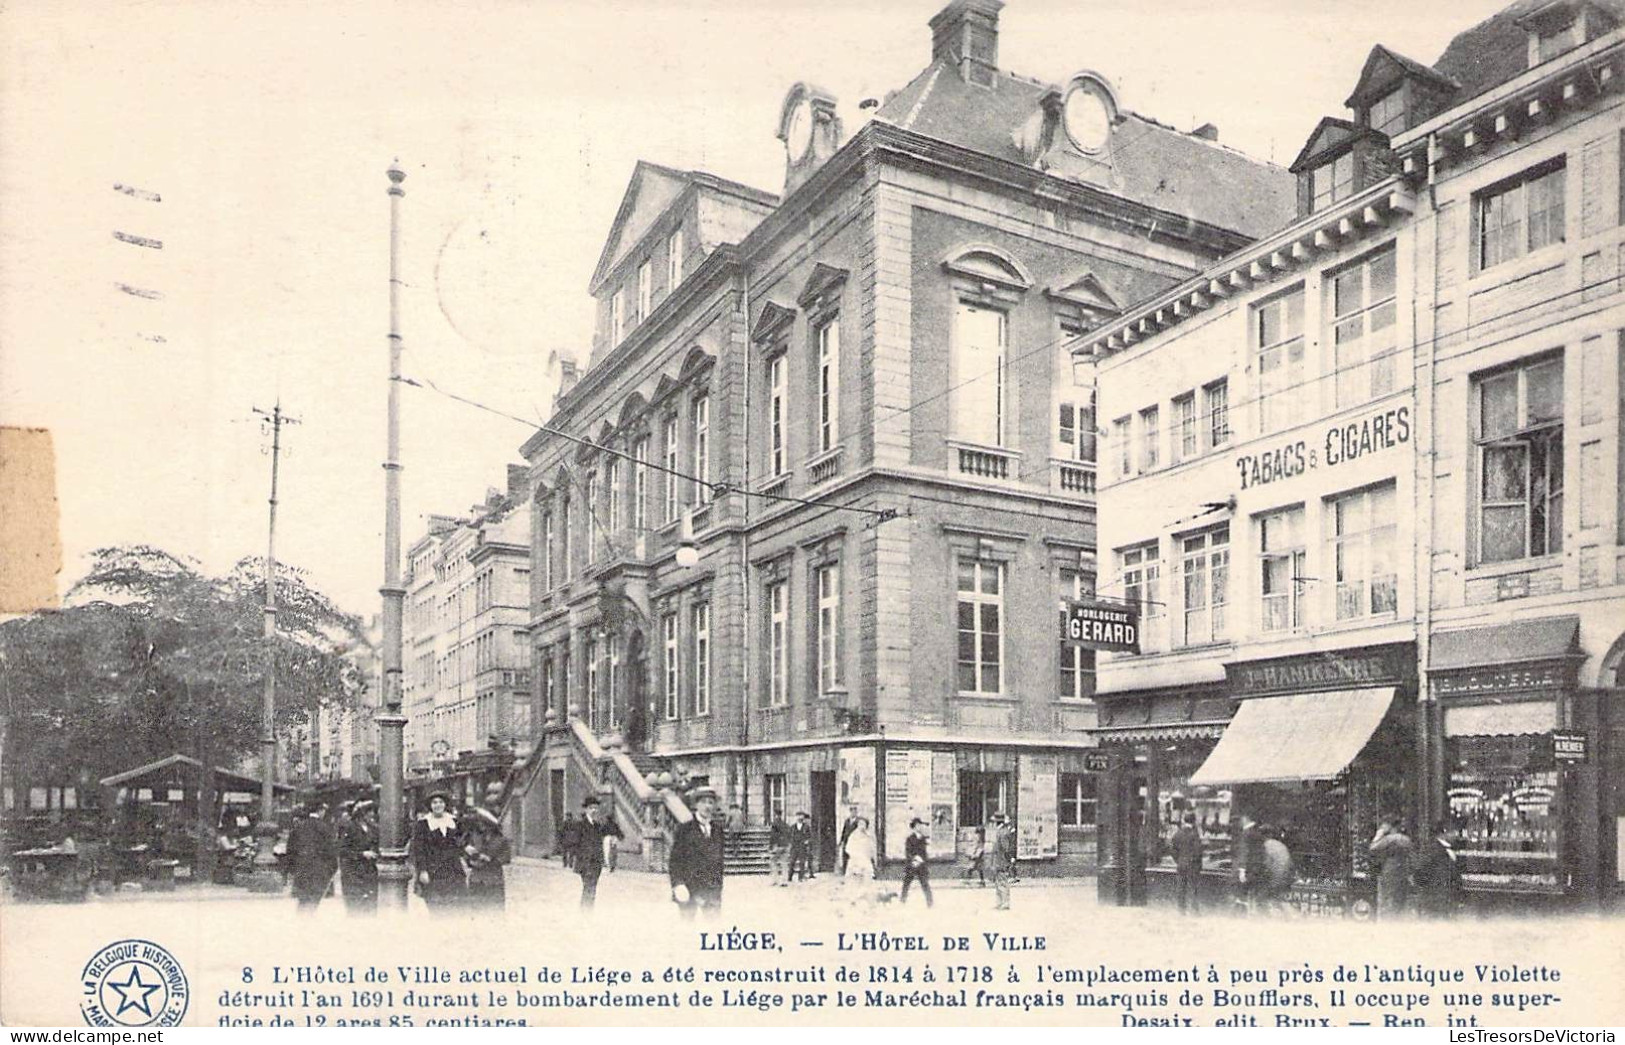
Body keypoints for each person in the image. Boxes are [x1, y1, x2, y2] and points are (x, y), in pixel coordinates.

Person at [669, 787, 726, 918]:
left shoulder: (718, 831)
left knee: (713, 928)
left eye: (711, 802)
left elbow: (719, 861)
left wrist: (718, 887)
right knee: (687, 929)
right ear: (696, 805)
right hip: (689, 888)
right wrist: (678, 884)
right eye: (704, 802)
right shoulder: (685, 829)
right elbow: (675, 860)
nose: (707, 806)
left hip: (711, 890)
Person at [411, 791, 465, 911]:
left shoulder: (454, 821)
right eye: (434, 802)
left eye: (441, 802)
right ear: (430, 806)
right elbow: (418, 849)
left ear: (445, 804)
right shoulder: (423, 824)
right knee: (436, 907)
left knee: (454, 907)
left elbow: (461, 842)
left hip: (453, 869)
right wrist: (423, 871)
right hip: (433, 870)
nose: (438, 805)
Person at [285, 802, 338, 913]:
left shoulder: (299, 826)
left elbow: (290, 849)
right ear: (320, 811)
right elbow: (331, 851)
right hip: (319, 869)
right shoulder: (325, 828)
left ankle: (302, 920)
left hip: (301, 868)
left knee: (303, 900)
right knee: (314, 899)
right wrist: (332, 869)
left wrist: (291, 868)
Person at [573, 796, 622, 909]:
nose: (594, 810)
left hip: (596, 864)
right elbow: (575, 843)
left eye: (596, 808)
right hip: (586, 863)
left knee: (592, 889)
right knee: (588, 888)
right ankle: (585, 913)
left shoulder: (598, 826)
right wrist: (581, 859)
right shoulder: (580, 825)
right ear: (586, 810)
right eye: (591, 808)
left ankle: (587, 912)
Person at [461, 807, 512, 911]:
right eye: (480, 824)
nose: (482, 827)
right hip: (476, 879)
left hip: (493, 879)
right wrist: (470, 860)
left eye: (485, 824)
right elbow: (465, 852)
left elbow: (506, 857)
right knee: (476, 908)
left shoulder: (501, 840)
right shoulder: (474, 837)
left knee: (494, 908)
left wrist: (490, 860)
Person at [1411, 821, 1461, 920]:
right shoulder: (1432, 849)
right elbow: (1421, 870)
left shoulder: (1444, 848)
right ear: (1445, 833)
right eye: (1454, 832)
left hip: (1443, 897)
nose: (1457, 836)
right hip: (1434, 897)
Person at [338, 800, 380, 914]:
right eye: (368, 812)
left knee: (370, 906)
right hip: (353, 872)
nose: (371, 816)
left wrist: (375, 852)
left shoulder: (373, 828)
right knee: (356, 906)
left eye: (372, 812)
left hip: (369, 871)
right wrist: (361, 854)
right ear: (361, 814)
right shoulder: (349, 827)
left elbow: (376, 844)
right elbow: (342, 850)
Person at [1370, 815, 1414, 920]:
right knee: (1399, 902)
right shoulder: (1406, 839)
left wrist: (1378, 835)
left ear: (1389, 826)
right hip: (1403, 871)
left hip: (1389, 871)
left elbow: (1373, 848)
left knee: (1387, 902)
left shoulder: (1389, 839)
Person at [1171, 813, 1203, 915]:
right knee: (1193, 887)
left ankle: (1181, 910)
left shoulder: (1178, 834)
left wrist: (1178, 860)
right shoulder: (1194, 834)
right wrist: (1198, 863)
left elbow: (1172, 850)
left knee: (1181, 887)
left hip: (1181, 864)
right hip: (1192, 865)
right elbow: (1198, 851)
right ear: (1193, 821)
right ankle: (1194, 910)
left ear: (1184, 821)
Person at [1260, 826, 1295, 917]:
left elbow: (1266, 864)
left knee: (1265, 899)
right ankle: (1290, 916)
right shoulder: (1281, 845)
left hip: (1274, 877)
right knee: (1280, 899)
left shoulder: (1266, 845)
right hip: (1285, 877)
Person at [901, 817, 934, 907]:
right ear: (914, 827)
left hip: (921, 865)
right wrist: (914, 859)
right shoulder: (909, 839)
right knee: (906, 883)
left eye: (920, 825)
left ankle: (930, 903)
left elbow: (925, 852)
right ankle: (902, 901)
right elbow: (908, 852)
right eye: (918, 825)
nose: (920, 827)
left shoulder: (923, 839)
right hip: (912, 865)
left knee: (925, 884)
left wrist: (923, 860)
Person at [987, 813, 1014, 911]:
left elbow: (1005, 848)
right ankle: (999, 902)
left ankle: (1005, 902)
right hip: (997, 859)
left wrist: (1008, 859)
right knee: (998, 882)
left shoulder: (1003, 832)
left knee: (1002, 881)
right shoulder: (1000, 831)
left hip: (1001, 860)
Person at [843, 817, 876, 887]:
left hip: (865, 860)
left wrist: (869, 856)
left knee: (866, 879)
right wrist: (854, 855)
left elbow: (872, 848)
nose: (862, 826)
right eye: (860, 824)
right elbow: (848, 848)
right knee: (854, 880)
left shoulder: (868, 836)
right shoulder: (853, 836)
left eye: (863, 824)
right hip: (855, 860)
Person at [788, 811, 814, 883]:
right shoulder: (793, 827)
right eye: (798, 816)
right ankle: (789, 877)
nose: (800, 817)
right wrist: (791, 843)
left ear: (803, 817)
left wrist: (807, 841)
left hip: (802, 846)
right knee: (792, 861)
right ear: (796, 817)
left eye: (801, 816)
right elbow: (789, 836)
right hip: (794, 846)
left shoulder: (806, 827)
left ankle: (801, 877)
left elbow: (810, 836)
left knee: (802, 862)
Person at [768, 811, 791, 886]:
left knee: (773, 862)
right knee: (784, 864)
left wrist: (771, 846)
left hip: (777, 846)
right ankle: (784, 881)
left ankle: (775, 880)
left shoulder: (774, 824)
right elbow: (789, 834)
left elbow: (773, 836)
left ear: (775, 815)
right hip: (785, 845)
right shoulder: (785, 824)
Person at [838, 808, 861, 874]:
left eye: (854, 812)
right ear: (850, 812)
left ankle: (854, 871)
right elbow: (844, 831)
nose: (853, 813)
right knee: (845, 854)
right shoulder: (847, 821)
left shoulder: (858, 821)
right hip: (846, 840)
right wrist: (841, 840)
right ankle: (844, 870)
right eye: (852, 812)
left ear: (856, 813)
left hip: (854, 841)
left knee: (854, 855)